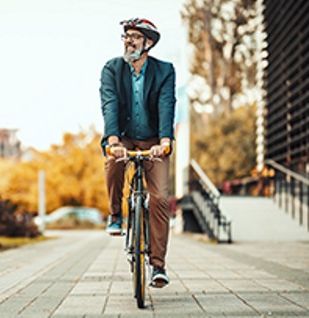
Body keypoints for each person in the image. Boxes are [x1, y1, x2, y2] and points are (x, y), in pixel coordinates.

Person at [99, 17, 176, 288]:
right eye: (126, 36)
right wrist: (113, 140)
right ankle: (116, 215)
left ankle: (158, 266)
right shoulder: (111, 69)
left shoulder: (164, 70)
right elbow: (109, 103)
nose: (128, 40)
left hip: (154, 139)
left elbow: (167, 104)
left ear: (149, 43)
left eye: (134, 36)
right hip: (124, 137)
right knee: (114, 161)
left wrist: (165, 140)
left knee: (158, 199)